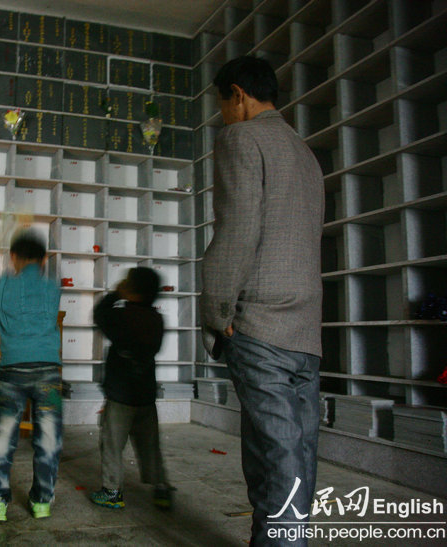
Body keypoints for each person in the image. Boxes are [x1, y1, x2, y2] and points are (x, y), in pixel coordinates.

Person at [200, 56, 324, 546]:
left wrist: (217, 313)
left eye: (222, 105)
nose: (223, 116)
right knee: (300, 452)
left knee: (274, 456)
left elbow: (237, 232)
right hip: (305, 329)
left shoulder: (242, 138)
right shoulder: (304, 151)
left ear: (238, 95)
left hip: (259, 323)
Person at [0, 228, 63, 522]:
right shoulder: (53, 287)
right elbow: (52, 271)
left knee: (3, 437)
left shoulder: (2, 285)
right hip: (49, 373)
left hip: (12, 371)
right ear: (44, 261)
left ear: (13, 258)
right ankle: (42, 502)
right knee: (48, 439)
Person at [90, 267, 172, 510]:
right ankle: (161, 488)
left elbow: (99, 315)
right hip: (146, 395)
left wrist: (116, 294)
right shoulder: (157, 319)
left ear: (132, 291)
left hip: (120, 397)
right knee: (150, 446)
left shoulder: (122, 316)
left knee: (112, 444)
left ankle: (112, 491)